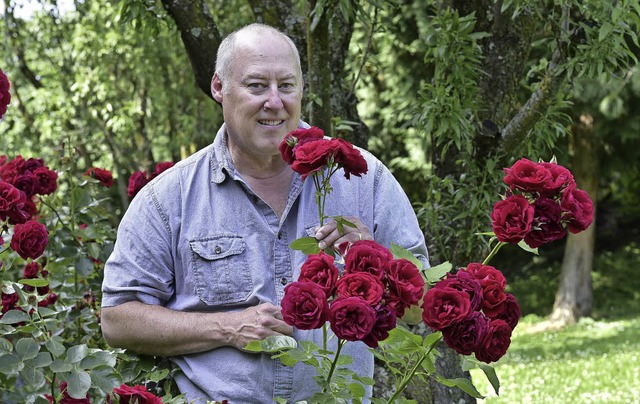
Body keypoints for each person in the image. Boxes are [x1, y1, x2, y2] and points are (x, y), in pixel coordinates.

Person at [101, 23, 429, 403]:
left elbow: (421, 309)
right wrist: (227, 327)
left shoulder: (364, 181)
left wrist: (376, 260)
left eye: (286, 86)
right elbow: (117, 319)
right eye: (257, 86)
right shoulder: (168, 198)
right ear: (218, 87)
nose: (275, 101)